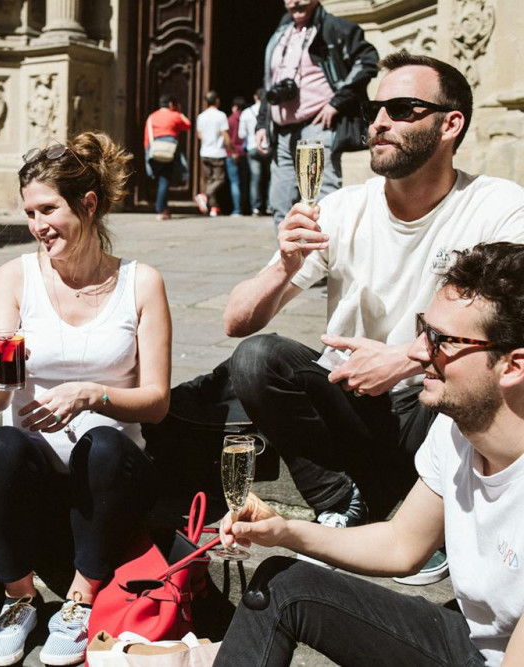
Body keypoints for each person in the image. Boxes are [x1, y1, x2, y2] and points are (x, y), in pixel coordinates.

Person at [222, 52, 524, 560]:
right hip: (353, 401)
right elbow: (236, 321)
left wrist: (411, 356)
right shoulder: (344, 210)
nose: (379, 122)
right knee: (256, 358)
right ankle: (340, 500)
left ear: (451, 124)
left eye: (403, 108)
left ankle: (438, 519)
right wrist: (285, 264)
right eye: (374, 109)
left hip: (440, 407)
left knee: (485, 370)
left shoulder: (498, 208)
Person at [215, 241, 524, 666]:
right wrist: (286, 531)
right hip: (472, 645)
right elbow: (401, 545)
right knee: (281, 586)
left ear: (514, 366)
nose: (417, 352)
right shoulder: (457, 432)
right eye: (422, 329)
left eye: (441, 341)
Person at [0, 132, 172, 666]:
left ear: (87, 204)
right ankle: (19, 600)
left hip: (114, 473)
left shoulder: (140, 282)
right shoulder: (15, 278)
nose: (38, 226)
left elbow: (156, 402)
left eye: (48, 209)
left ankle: (81, 600)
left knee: (102, 444)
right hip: (39, 470)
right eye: (30, 212)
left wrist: (92, 395)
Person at [258, 0, 379, 226]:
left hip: (317, 127)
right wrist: (262, 123)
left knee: (322, 198)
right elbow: (270, 83)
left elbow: (368, 61)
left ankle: (326, 257)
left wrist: (337, 102)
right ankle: (289, 258)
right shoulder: (280, 33)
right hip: (281, 131)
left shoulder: (334, 28)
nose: (295, 2)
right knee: (280, 201)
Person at [143, 93, 191, 220]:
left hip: (155, 150)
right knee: (165, 179)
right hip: (169, 150)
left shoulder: (151, 117)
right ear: (171, 104)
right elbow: (188, 125)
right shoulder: (175, 115)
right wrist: (180, 112)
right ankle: (161, 208)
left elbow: (147, 137)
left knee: (161, 179)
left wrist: (147, 153)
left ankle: (162, 207)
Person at [195, 91, 230, 217]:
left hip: (205, 151)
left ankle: (214, 208)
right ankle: (204, 196)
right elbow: (224, 134)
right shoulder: (221, 116)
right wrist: (230, 149)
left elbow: (199, 134)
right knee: (219, 179)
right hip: (217, 152)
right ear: (217, 101)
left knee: (210, 180)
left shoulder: (201, 116)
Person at [239, 88, 271, 216]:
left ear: (255, 97)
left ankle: (256, 207)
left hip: (253, 147)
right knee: (271, 178)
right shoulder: (270, 109)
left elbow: (241, 134)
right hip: (268, 147)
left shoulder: (246, 112)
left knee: (255, 179)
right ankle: (270, 205)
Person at [226, 97, 247, 216]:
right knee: (244, 182)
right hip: (243, 153)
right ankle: (246, 208)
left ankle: (236, 209)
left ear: (235, 107)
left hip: (231, 153)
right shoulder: (247, 118)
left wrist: (231, 150)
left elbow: (227, 138)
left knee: (234, 182)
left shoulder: (230, 120)